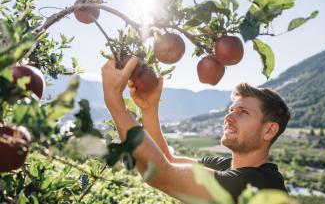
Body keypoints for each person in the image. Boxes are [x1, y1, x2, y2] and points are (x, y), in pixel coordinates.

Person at [101, 57, 290, 203]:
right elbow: (167, 160)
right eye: (231, 109)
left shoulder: (262, 184)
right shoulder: (223, 166)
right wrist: (149, 109)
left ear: (269, 130)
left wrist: (116, 105)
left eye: (243, 112)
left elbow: (161, 174)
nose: (229, 117)